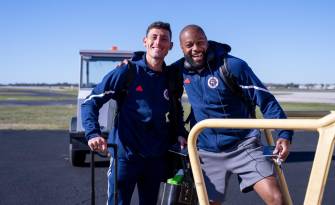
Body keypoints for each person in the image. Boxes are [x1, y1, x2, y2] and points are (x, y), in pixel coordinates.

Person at [170, 25, 294, 205]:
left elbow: (265, 99)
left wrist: (284, 133)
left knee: (277, 199)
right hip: (207, 151)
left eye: (200, 42)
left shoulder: (233, 66)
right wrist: (130, 63)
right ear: (181, 48)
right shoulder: (178, 70)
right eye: (189, 45)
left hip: (244, 145)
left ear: (207, 41)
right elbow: (161, 88)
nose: (196, 48)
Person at [81, 21, 186, 205]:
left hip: (156, 159)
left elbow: (176, 109)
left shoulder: (171, 78)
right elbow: (91, 102)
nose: (158, 42)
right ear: (145, 41)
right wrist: (93, 133)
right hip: (125, 157)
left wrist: (179, 133)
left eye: (164, 39)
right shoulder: (127, 71)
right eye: (154, 37)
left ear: (170, 46)